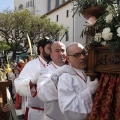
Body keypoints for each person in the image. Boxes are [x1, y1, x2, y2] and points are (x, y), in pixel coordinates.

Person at [56, 42, 99, 120]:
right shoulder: (66, 77)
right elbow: (68, 109)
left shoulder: (94, 71)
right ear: (68, 58)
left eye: (84, 53)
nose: (82, 57)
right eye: (76, 55)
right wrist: (89, 91)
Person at [14, 38, 53, 120]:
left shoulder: (56, 64)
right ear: (41, 49)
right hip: (37, 113)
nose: (52, 51)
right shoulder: (31, 65)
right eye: (49, 48)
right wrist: (32, 81)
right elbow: (18, 85)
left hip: (54, 112)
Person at [37, 41, 68, 120]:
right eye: (57, 51)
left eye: (63, 50)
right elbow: (42, 93)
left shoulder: (72, 68)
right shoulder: (45, 71)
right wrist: (57, 75)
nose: (61, 54)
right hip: (53, 117)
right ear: (51, 54)